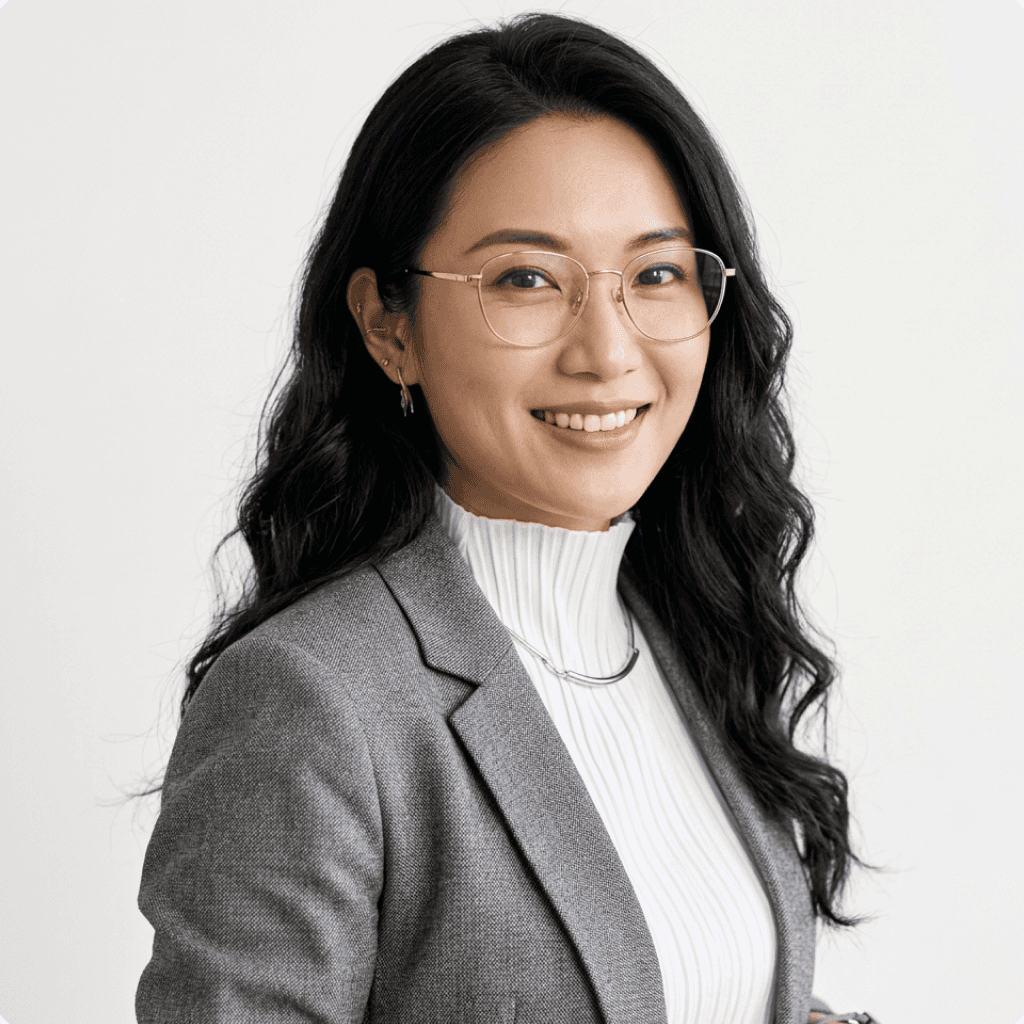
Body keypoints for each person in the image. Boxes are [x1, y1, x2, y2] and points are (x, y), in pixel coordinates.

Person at [136, 13, 863, 1024]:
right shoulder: (312, 700)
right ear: (388, 325)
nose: (607, 352)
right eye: (526, 279)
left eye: (655, 274)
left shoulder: (691, 637)